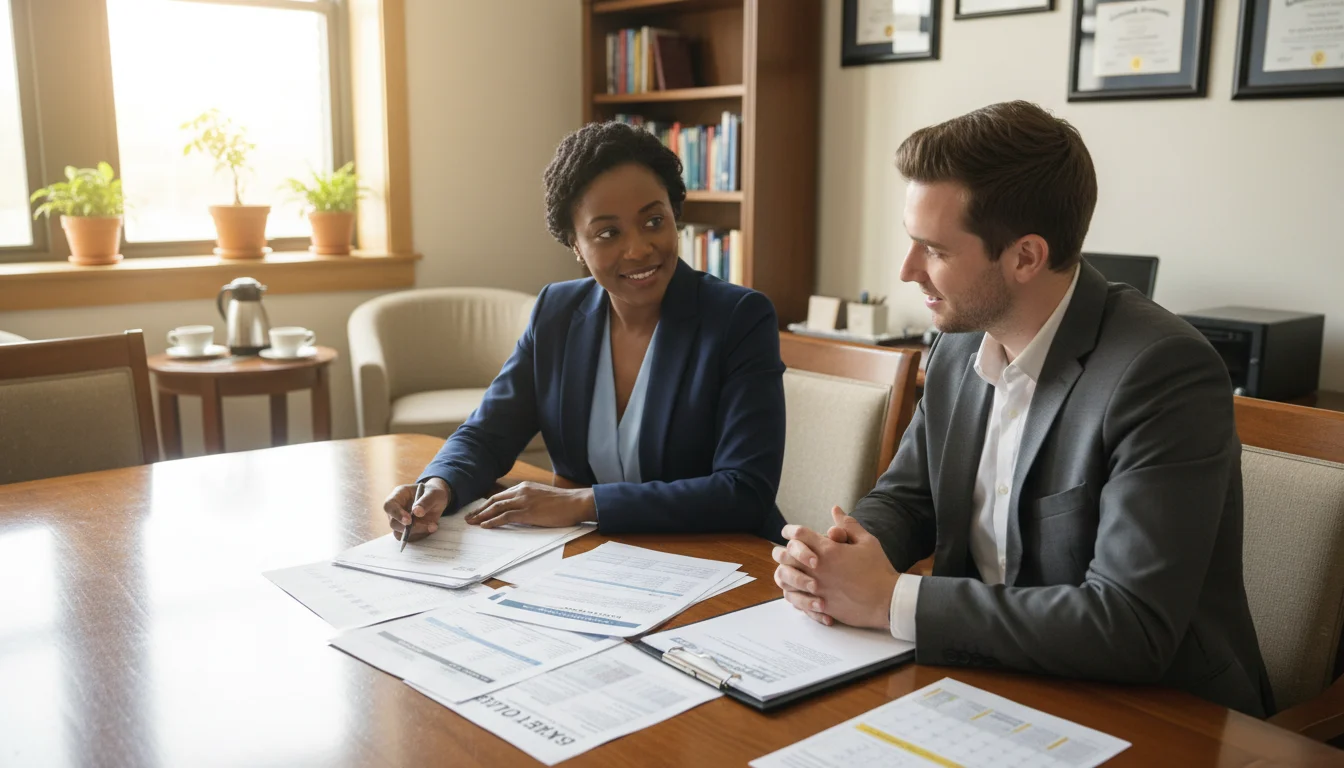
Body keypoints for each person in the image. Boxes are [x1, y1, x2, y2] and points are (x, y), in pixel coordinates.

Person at [771, 101, 1274, 717]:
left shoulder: (1163, 372)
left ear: (1025, 257)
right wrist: (843, 557)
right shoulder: (957, 342)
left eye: (933, 250)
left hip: (1154, 710)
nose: (906, 271)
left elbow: (1131, 625)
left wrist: (891, 600)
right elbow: (910, 497)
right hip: (984, 680)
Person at [383, 121, 787, 542]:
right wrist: (439, 486)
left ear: (674, 215)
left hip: (726, 560)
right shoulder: (556, 313)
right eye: (608, 233)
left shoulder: (739, 318)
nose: (638, 249)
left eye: (653, 221)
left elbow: (745, 490)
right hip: (596, 557)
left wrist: (583, 504)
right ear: (576, 244)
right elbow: (487, 435)